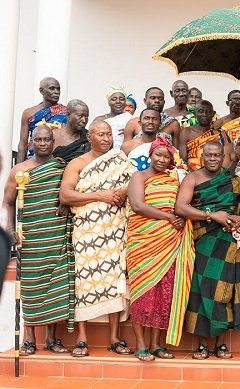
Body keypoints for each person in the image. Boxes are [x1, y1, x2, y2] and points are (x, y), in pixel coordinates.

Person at [59, 120, 135, 358]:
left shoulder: (120, 159)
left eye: (109, 135)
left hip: (114, 229)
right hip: (86, 233)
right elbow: (66, 195)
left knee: (114, 280)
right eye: (101, 134)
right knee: (84, 281)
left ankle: (114, 337)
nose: (106, 139)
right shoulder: (77, 163)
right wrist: (100, 195)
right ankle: (82, 338)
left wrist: (122, 192)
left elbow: (133, 184)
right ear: (89, 137)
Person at [3, 126, 74, 356]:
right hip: (30, 236)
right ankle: (30, 339)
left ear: (53, 142)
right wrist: (10, 229)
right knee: (31, 286)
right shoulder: (19, 170)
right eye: (38, 140)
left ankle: (52, 339)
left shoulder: (61, 167)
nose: (43, 143)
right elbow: (7, 202)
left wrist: (66, 202)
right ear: (32, 142)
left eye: (47, 140)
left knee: (56, 284)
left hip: (55, 233)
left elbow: (69, 192)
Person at [175, 141, 240, 360]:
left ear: (223, 157)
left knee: (226, 291)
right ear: (202, 156)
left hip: (230, 243)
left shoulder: (234, 181)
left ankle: (222, 344)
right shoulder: (192, 178)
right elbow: (181, 207)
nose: (214, 159)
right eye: (209, 155)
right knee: (202, 291)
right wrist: (212, 215)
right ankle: (201, 345)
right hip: (203, 242)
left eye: (218, 155)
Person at [125, 137, 193, 361]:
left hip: (168, 243)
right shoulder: (139, 176)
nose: (162, 160)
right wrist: (169, 217)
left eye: (166, 156)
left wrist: (181, 219)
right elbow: (138, 205)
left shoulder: (174, 181)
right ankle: (141, 344)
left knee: (164, 295)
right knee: (143, 292)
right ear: (150, 156)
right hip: (143, 242)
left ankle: (156, 344)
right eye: (158, 155)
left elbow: (181, 207)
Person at [17, 77, 68, 162]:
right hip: (34, 159)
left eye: (58, 89)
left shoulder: (66, 112)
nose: (56, 92)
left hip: (59, 160)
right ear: (41, 90)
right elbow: (23, 144)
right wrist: (18, 168)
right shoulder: (29, 113)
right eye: (52, 88)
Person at [181, 100, 231, 171]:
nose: (204, 114)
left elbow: (226, 158)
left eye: (208, 111)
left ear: (213, 114)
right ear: (195, 114)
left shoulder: (220, 133)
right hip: (191, 174)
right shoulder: (186, 132)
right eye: (201, 111)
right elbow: (183, 161)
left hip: (216, 175)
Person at [93, 86, 133, 150]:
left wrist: (129, 132)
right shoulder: (100, 120)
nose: (118, 101)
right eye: (114, 99)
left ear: (125, 102)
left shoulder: (131, 120)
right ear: (109, 102)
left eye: (122, 99)